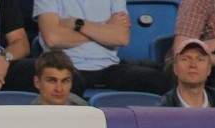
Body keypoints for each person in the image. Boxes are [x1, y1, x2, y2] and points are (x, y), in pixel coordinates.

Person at [34, 0, 170, 95]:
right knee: (63, 85)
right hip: (67, 66)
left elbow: (121, 37)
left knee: (157, 79)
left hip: (109, 66)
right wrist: (105, 28)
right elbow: (53, 38)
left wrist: (77, 24)